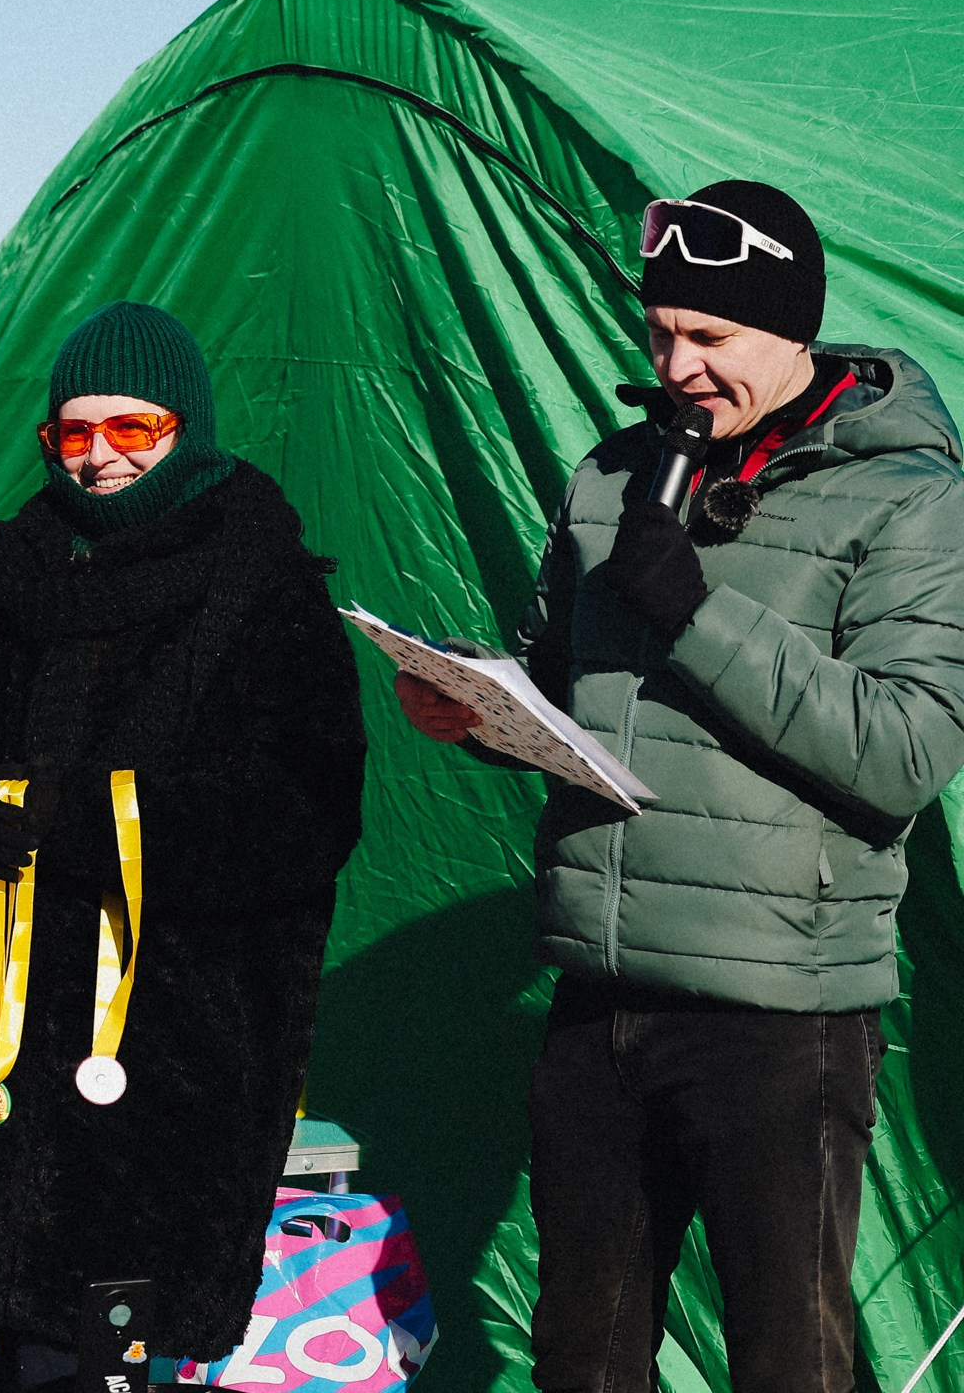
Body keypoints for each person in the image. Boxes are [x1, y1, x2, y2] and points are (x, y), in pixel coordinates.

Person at [396, 180, 964, 1393]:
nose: (678, 364)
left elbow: (904, 751)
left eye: (712, 337)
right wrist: (482, 714)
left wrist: (698, 615)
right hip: (601, 991)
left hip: (783, 1009)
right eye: (660, 332)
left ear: (794, 329)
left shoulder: (912, 498)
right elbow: (570, 687)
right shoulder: (615, 474)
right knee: (583, 1358)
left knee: (784, 1361)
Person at [0, 301, 365, 1392]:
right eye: (74, 434)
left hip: (170, 1073)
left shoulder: (264, 588)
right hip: (1, 1075)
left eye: (131, 429)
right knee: (25, 1354)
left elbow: (305, 816)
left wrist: (109, 828)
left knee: (109, 1359)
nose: (99, 458)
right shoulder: (8, 586)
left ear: (185, 426)